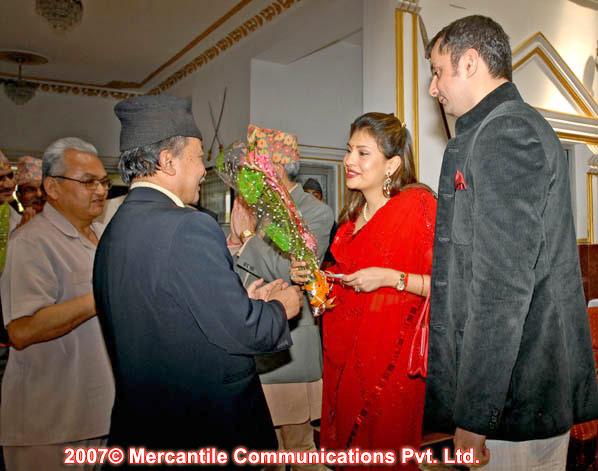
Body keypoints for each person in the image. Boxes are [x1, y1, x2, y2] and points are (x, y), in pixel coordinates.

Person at [424, 15, 598, 470]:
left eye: (438, 71)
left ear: (470, 62)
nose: (433, 88)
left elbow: (501, 289)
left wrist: (475, 415)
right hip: (510, 397)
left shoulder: (506, 132)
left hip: (518, 398)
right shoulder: (491, 129)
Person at [93, 95, 303, 469]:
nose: (204, 171)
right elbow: (243, 329)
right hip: (204, 430)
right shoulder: (189, 225)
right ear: (167, 161)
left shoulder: (115, 230)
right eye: (197, 157)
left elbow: (170, 313)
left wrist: (241, 300)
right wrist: (279, 308)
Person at [291, 112, 437, 470]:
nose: (348, 161)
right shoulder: (347, 225)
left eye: (362, 152)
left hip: (391, 368)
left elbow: (448, 286)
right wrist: (311, 279)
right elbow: (335, 295)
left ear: (392, 164)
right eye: (348, 150)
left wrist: (391, 278)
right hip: (345, 366)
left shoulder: (417, 207)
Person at [0, 137, 115, 471]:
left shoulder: (104, 236)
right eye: (88, 182)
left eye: (103, 182)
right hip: (50, 423)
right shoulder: (31, 242)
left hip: (101, 415)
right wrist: (100, 296)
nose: (100, 190)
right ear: (52, 187)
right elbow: (22, 330)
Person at [228, 125, 334, 471]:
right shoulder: (256, 207)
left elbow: (294, 272)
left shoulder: (314, 212)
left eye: (254, 163)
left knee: (299, 451)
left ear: (275, 165)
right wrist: (236, 242)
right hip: (251, 341)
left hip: (289, 348)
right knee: (263, 456)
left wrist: (246, 237)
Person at [15, 156, 45, 227]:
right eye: (30, 190)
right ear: (19, 196)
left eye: (43, 188)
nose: (39, 194)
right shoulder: (9, 223)